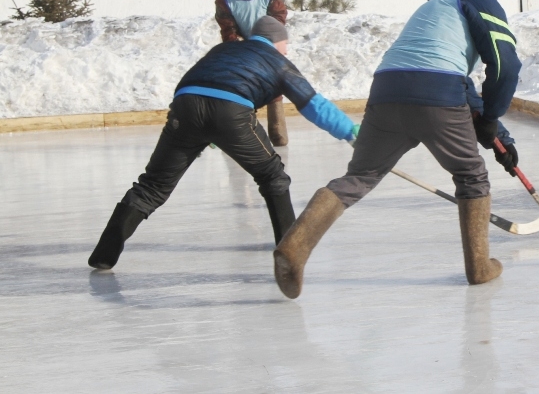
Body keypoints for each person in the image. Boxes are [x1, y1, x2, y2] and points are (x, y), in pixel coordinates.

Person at [273, 0, 521, 298]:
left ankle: (295, 246)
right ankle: (479, 267)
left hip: (387, 89)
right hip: (436, 91)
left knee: (359, 176)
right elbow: (505, 63)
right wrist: (492, 118)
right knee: (470, 176)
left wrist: (498, 137)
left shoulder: (433, 7)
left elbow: (457, 80)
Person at [88, 17, 357, 270]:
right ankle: (288, 248)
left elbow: (196, 79)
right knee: (272, 176)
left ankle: (104, 255)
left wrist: (203, 127)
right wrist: (350, 131)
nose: (286, 51)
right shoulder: (277, 61)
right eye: (286, 44)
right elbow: (312, 103)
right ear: (276, 40)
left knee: (153, 185)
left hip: (186, 104)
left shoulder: (223, 50)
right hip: (231, 110)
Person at [215, 0, 291, 146]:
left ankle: (278, 133)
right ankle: (244, 131)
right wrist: (241, 47)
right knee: (244, 88)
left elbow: (280, 12)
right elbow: (227, 28)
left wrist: (268, 36)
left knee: (274, 86)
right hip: (244, 49)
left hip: (268, 45)